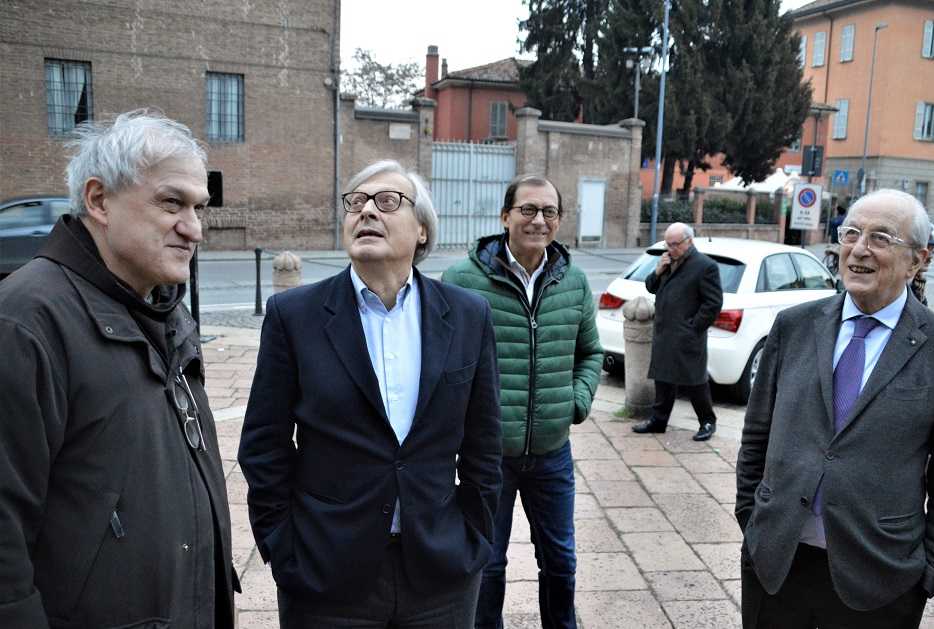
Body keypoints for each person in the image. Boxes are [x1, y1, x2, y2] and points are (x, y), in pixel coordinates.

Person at [238, 159, 503, 629]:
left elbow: (484, 444)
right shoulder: (294, 316)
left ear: (422, 230)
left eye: (387, 201)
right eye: (356, 202)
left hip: (441, 573)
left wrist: (474, 536)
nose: (366, 211)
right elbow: (263, 445)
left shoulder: (468, 316)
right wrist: (283, 546)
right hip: (326, 575)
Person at [0, 110, 237, 628]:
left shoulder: (164, 308)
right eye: (171, 203)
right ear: (99, 200)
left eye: (199, 207)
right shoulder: (25, 322)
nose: (194, 229)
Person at [736, 188, 934, 629]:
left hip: (879, 578)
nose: (859, 249)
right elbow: (757, 436)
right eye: (851, 233)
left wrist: (930, 573)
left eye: (881, 238)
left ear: (918, 260)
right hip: (775, 562)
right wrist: (752, 522)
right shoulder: (793, 327)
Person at [442, 174, 603, 629]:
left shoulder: (573, 281)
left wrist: (576, 402)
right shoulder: (462, 280)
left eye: (549, 211)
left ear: (559, 220)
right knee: (488, 563)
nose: (538, 220)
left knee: (560, 560)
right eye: (528, 209)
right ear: (505, 216)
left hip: (552, 452)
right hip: (489, 456)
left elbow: (590, 353)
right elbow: (444, 362)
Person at [632, 222, 723, 441]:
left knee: (695, 381)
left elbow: (713, 303)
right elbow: (651, 287)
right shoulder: (667, 261)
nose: (671, 248)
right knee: (663, 379)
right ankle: (658, 420)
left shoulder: (705, 266)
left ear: (689, 241)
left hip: (688, 335)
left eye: (675, 244)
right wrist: (657, 270)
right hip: (664, 332)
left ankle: (707, 421)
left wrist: (693, 327)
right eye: (668, 244)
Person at [909, 225, 934, 305]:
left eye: (933, 249)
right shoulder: (901, 284)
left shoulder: (918, 282)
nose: (930, 256)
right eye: (928, 247)